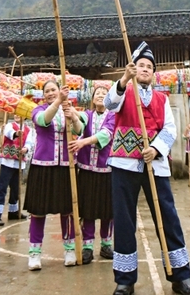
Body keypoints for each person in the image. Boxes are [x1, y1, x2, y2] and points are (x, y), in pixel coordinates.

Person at [105, 41, 190, 295]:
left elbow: (170, 129)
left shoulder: (161, 98)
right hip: (124, 163)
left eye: (149, 66)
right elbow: (109, 104)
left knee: (168, 217)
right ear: (133, 69)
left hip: (154, 164)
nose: (145, 69)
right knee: (124, 219)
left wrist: (156, 148)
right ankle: (125, 279)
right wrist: (124, 79)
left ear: (154, 73)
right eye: (140, 65)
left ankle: (181, 276)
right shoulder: (123, 91)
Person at [23, 79, 86, 270]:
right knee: (38, 210)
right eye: (48, 91)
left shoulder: (68, 108)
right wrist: (59, 101)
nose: (51, 93)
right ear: (44, 95)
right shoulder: (38, 109)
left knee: (67, 210)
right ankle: (34, 253)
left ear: (60, 90)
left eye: (54, 90)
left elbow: (80, 129)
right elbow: (44, 120)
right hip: (42, 166)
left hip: (66, 166)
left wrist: (73, 116)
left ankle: (69, 250)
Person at [69, 82, 116, 264]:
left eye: (104, 93)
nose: (100, 95)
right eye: (97, 92)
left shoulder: (113, 116)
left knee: (107, 210)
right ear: (92, 98)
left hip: (107, 169)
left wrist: (83, 143)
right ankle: (87, 246)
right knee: (87, 209)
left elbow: (106, 135)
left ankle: (106, 244)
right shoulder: (87, 115)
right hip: (87, 169)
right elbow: (79, 124)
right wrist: (72, 114)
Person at [0, 117, 35, 225]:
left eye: (19, 115)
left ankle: (13, 211)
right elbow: (9, 133)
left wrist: (26, 148)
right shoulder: (9, 125)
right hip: (7, 161)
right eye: (15, 114)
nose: (16, 116)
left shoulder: (29, 130)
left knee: (16, 188)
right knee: (2, 187)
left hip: (20, 162)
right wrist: (16, 134)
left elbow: (30, 141)